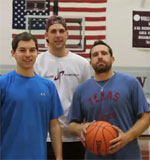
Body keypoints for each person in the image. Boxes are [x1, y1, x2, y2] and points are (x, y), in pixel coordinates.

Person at [67, 40, 150, 159]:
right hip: (95, 155)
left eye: (104, 53)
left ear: (112, 59)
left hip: (127, 154)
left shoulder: (130, 83)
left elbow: (145, 118)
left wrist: (126, 137)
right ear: (91, 63)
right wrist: (82, 128)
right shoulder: (81, 89)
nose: (100, 57)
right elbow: (71, 124)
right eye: (95, 55)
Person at [34, 15, 91, 159]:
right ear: (46, 35)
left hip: (75, 137)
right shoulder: (37, 62)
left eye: (61, 31)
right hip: (45, 137)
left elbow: (87, 99)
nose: (57, 35)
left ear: (67, 34)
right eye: (53, 31)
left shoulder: (82, 63)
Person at [0, 32, 64, 159]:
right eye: (22, 50)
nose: (28, 55)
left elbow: (54, 125)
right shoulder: (3, 83)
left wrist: (59, 157)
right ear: (13, 53)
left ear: (37, 53)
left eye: (32, 50)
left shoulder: (48, 86)